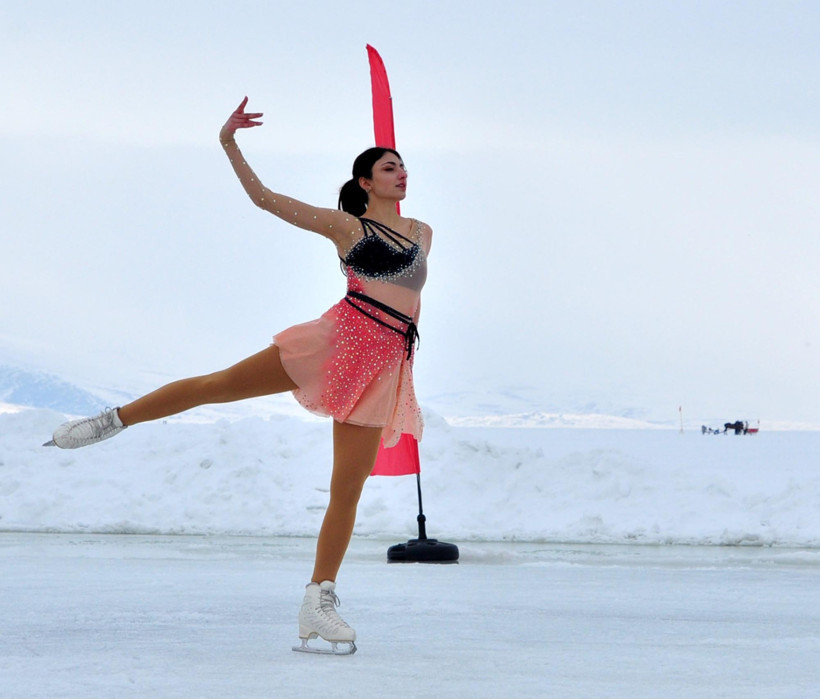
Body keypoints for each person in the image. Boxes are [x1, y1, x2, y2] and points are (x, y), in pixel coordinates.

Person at [44, 97, 432, 656]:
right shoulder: (347, 226)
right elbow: (266, 201)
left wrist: (401, 364)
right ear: (365, 182)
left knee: (347, 491)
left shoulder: (422, 231)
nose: (401, 172)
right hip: (336, 341)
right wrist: (229, 142)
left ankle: (318, 602)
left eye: (403, 165)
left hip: (384, 362)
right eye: (389, 166)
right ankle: (111, 421)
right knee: (218, 385)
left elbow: (413, 305)